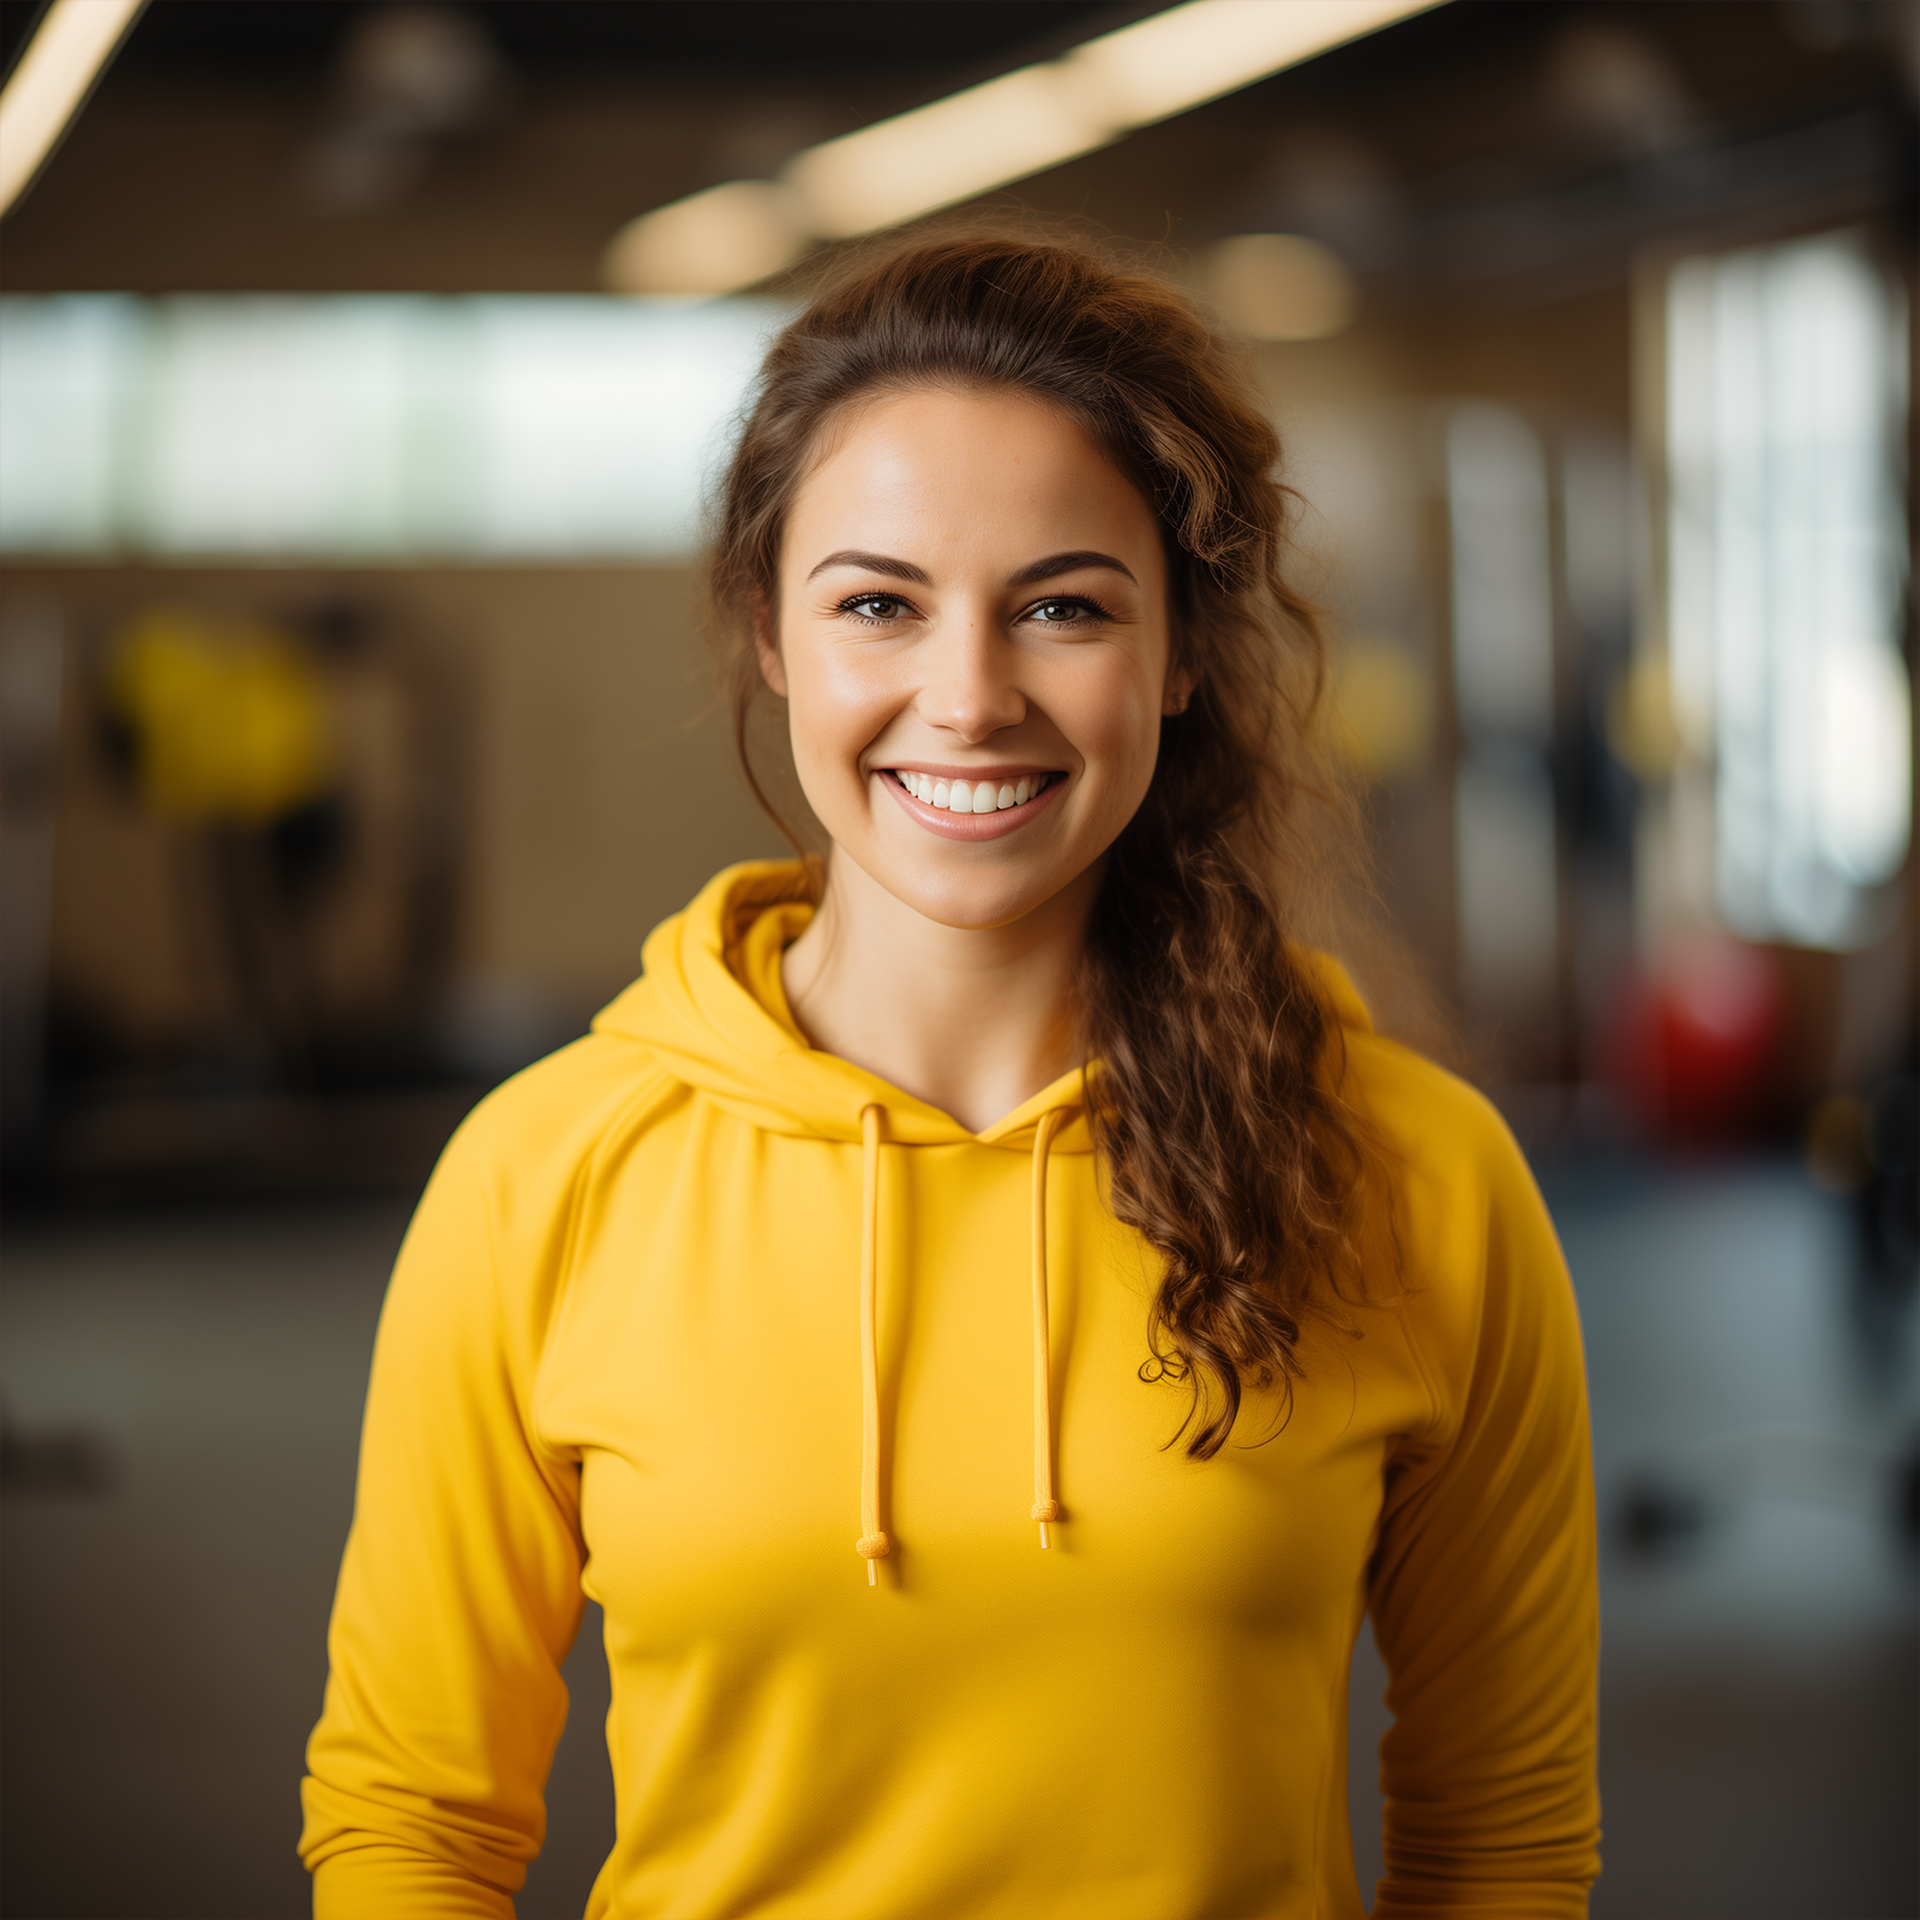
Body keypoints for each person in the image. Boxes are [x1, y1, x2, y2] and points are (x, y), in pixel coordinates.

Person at [300, 232, 1600, 1919]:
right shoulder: (547, 1174)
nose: (969, 698)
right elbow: (415, 1821)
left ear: (1185, 653)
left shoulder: (1415, 1172)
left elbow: (1500, 1833)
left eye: (1062, 606)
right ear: (773, 635)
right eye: (878, 606)